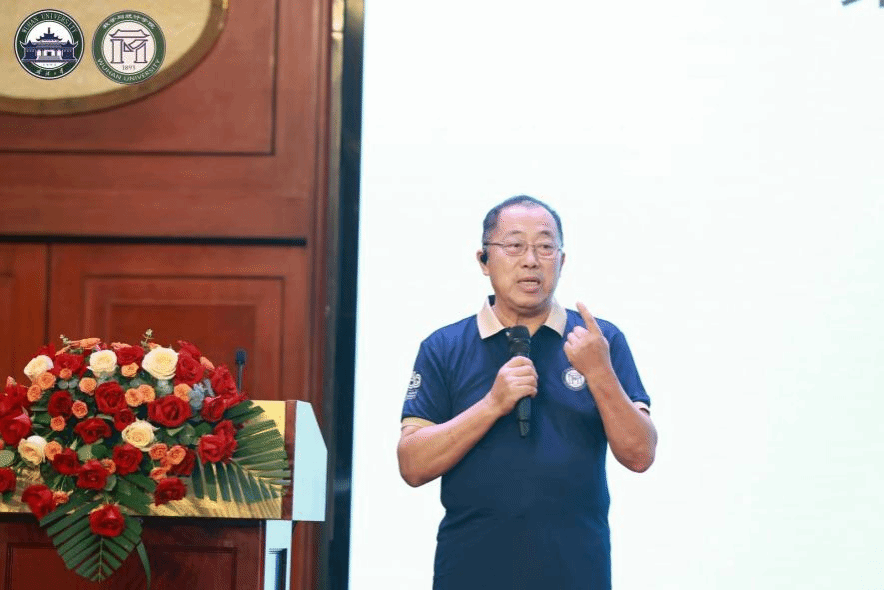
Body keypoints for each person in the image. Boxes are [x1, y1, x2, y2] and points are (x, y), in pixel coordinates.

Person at [397, 195, 657, 590]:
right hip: (470, 571)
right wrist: (492, 404)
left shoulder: (599, 341)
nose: (531, 260)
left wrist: (600, 373)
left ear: (562, 260)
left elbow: (640, 456)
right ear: (484, 260)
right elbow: (412, 465)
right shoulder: (444, 347)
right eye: (515, 245)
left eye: (545, 247)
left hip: (576, 572)